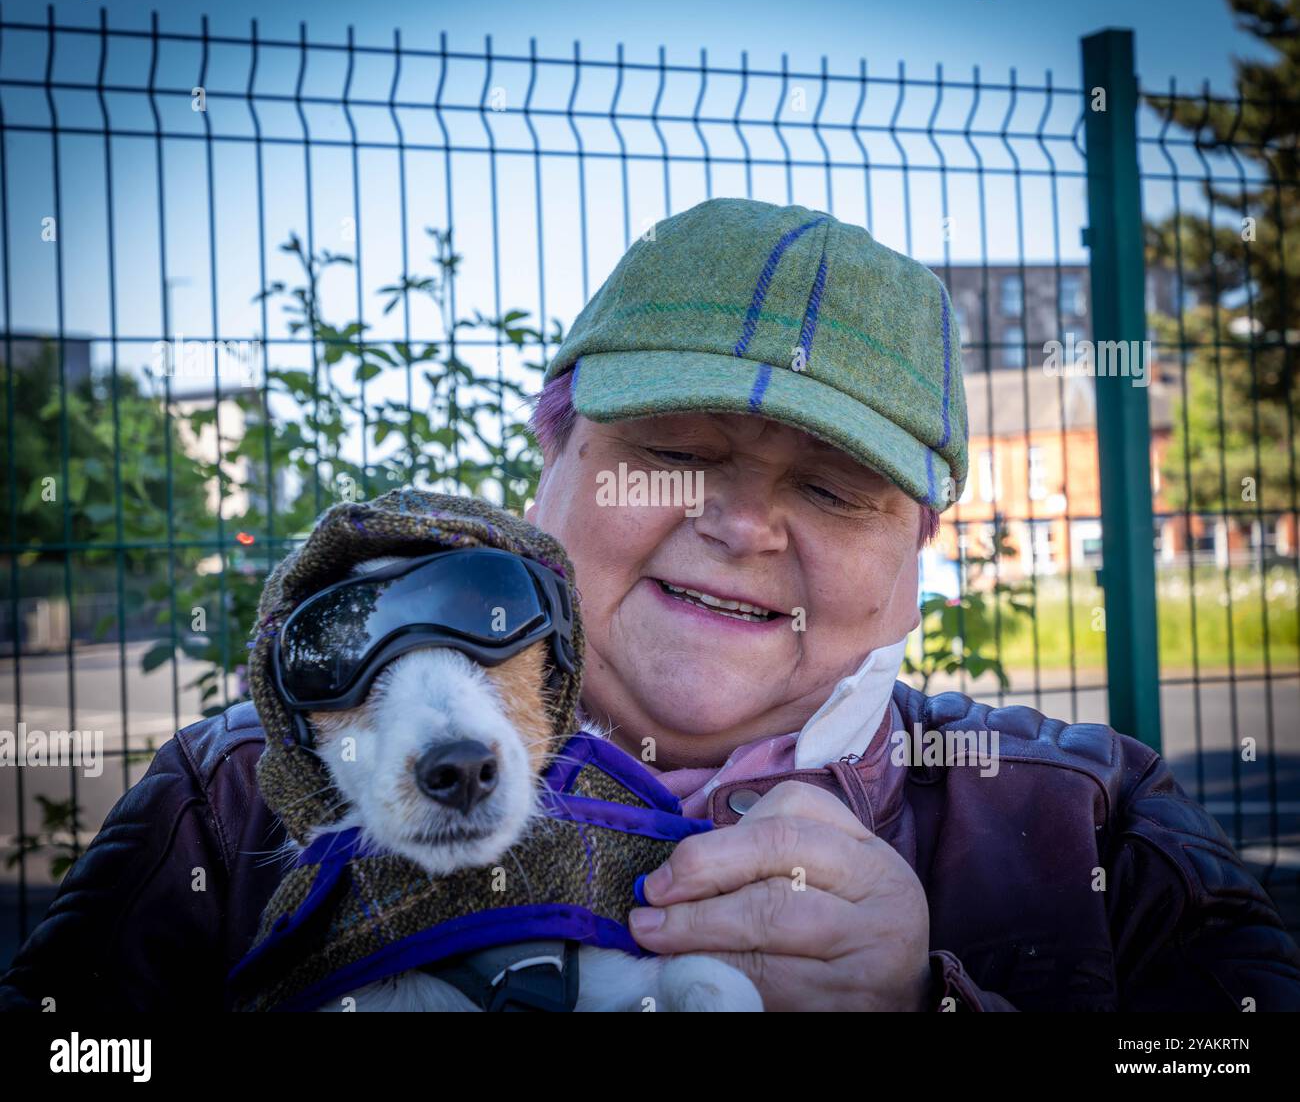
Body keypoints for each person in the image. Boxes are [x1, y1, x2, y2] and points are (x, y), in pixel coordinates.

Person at [2, 197, 1298, 1011]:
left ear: (921, 544)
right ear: (548, 451)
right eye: (671, 453)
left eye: (835, 489)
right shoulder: (234, 800)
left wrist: (934, 998)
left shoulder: (1092, 819)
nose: (739, 524)